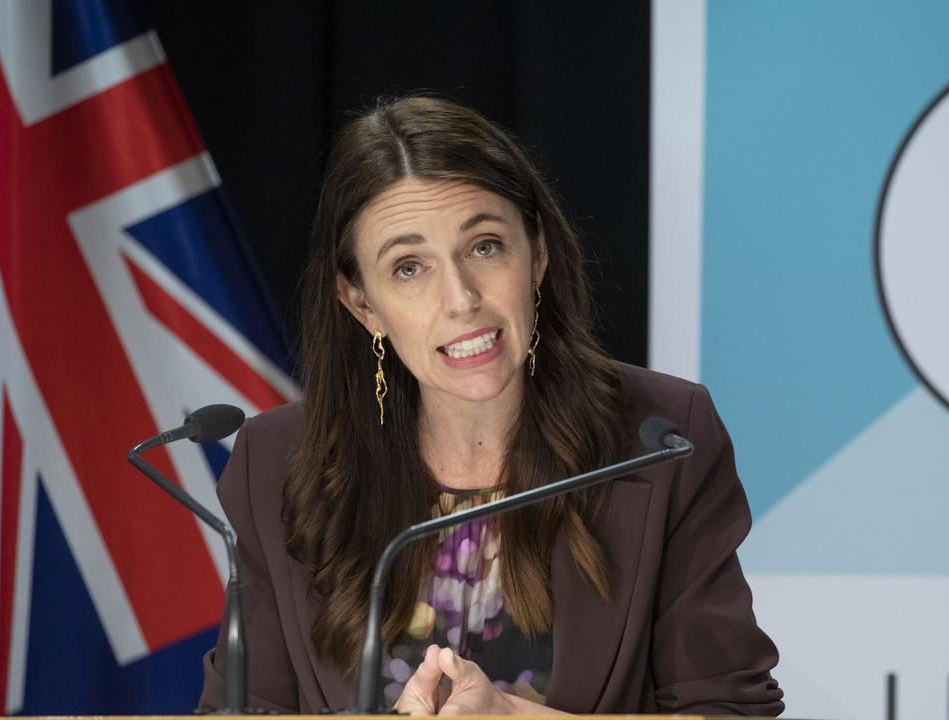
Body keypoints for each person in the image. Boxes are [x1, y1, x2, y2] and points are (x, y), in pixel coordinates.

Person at [198, 96, 783, 716]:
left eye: (483, 247)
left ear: (537, 251)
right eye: (408, 268)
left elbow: (730, 709)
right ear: (361, 304)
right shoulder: (277, 464)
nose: (460, 299)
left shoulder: (661, 438)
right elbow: (239, 710)